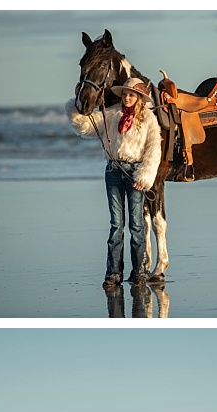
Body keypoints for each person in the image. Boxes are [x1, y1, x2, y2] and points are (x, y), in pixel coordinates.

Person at [66, 77, 162, 288]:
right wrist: (76, 103)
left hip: (134, 175)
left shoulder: (149, 119)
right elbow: (85, 127)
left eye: (131, 95)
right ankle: (113, 273)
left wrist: (144, 176)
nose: (127, 98)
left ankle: (139, 272)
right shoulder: (112, 114)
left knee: (136, 226)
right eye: (125, 94)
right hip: (113, 172)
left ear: (139, 98)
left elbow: (154, 149)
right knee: (116, 225)